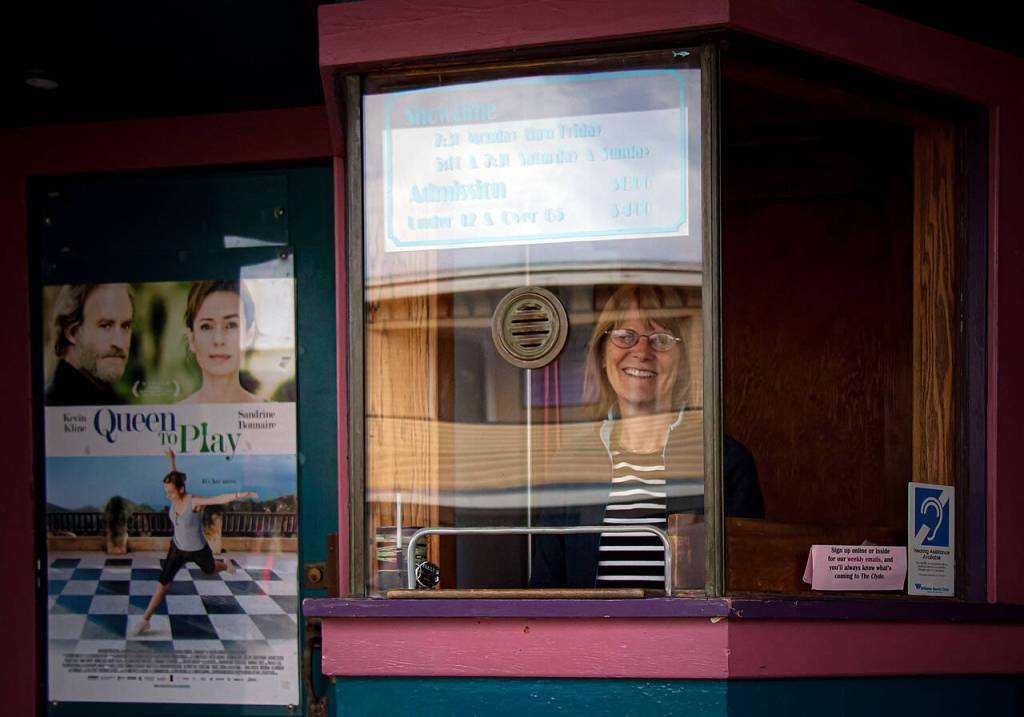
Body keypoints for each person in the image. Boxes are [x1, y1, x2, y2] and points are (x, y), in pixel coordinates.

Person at [531, 284, 763, 589]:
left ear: (682, 361)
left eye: (661, 340)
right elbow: (546, 594)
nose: (641, 352)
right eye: (625, 337)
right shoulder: (571, 464)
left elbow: (746, 585)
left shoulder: (724, 463)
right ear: (602, 354)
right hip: (590, 639)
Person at [133, 447, 258, 636]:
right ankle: (145, 620)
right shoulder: (175, 491)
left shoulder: (194, 502)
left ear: (181, 489)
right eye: (166, 492)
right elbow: (174, 476)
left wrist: (241, 494)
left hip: (198, 549)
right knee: (163, 582)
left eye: (171, 493)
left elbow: (218, 499)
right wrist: (171, 459)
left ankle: (225, 565)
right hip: (177, 549)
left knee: (210, 570)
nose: (168, 496)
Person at [44, 283, 134, 406]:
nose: (119, 343)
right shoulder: (50, 406)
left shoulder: (115, 403)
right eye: (105, 326)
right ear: (72, 333)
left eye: (126, 326)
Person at [178, 279, 262, 403]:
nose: (218, 340)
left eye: (231, 325)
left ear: (249, 334)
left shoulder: (271, 414)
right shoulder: (176, 416)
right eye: (206, 326)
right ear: (192, 339)